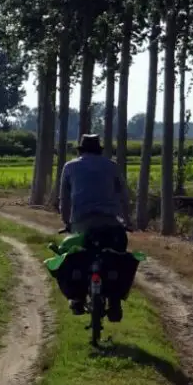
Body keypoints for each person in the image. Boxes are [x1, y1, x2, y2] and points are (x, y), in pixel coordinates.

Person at [58, 134, 132, 321]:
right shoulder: (111, 166)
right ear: (99, 149)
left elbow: (64, 199)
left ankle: (77, 298)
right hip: (111, 222)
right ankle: (115, 302)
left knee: (76, 256)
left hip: (82, 223)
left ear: (81, 150)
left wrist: (66, 222)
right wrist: (127, 221)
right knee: (118, 256)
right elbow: (124, 195)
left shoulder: (70, 167)